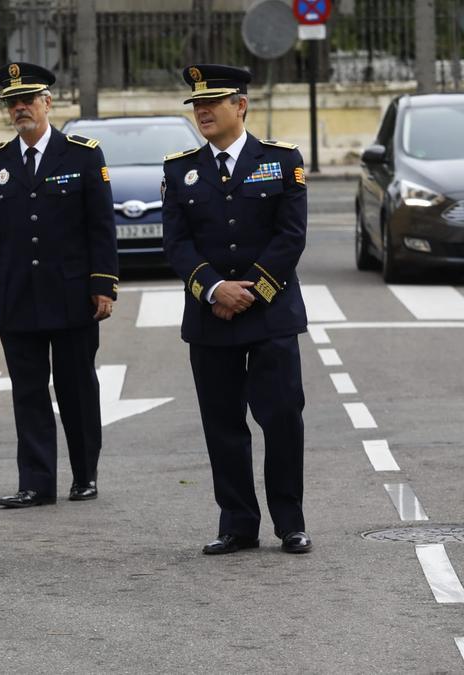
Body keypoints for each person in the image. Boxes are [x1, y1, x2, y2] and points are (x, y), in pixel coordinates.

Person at [161, 64, 311, 555]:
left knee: (282, 417)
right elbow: (177, 243)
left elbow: (290, 236)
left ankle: (289, 521)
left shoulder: (282, 160)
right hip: (210, 317)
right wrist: (213, 288)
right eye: (197, 105)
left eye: (213, 103)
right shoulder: (179, 168)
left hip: (270, 315)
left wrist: (252, 292)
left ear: (240, 106)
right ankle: (238, 523)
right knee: (223, 424)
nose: (202, 111)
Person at [0, 62, 118, 509]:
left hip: (72, 294)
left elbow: (101, 227)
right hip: (18, 296)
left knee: (77, 387)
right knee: (28, 390)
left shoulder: (82, 155)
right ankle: (36, 481)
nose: (20, 108)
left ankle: (84, 475)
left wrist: (103, 285)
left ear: (47, 102)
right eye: (12, 103)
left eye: (28, 100)